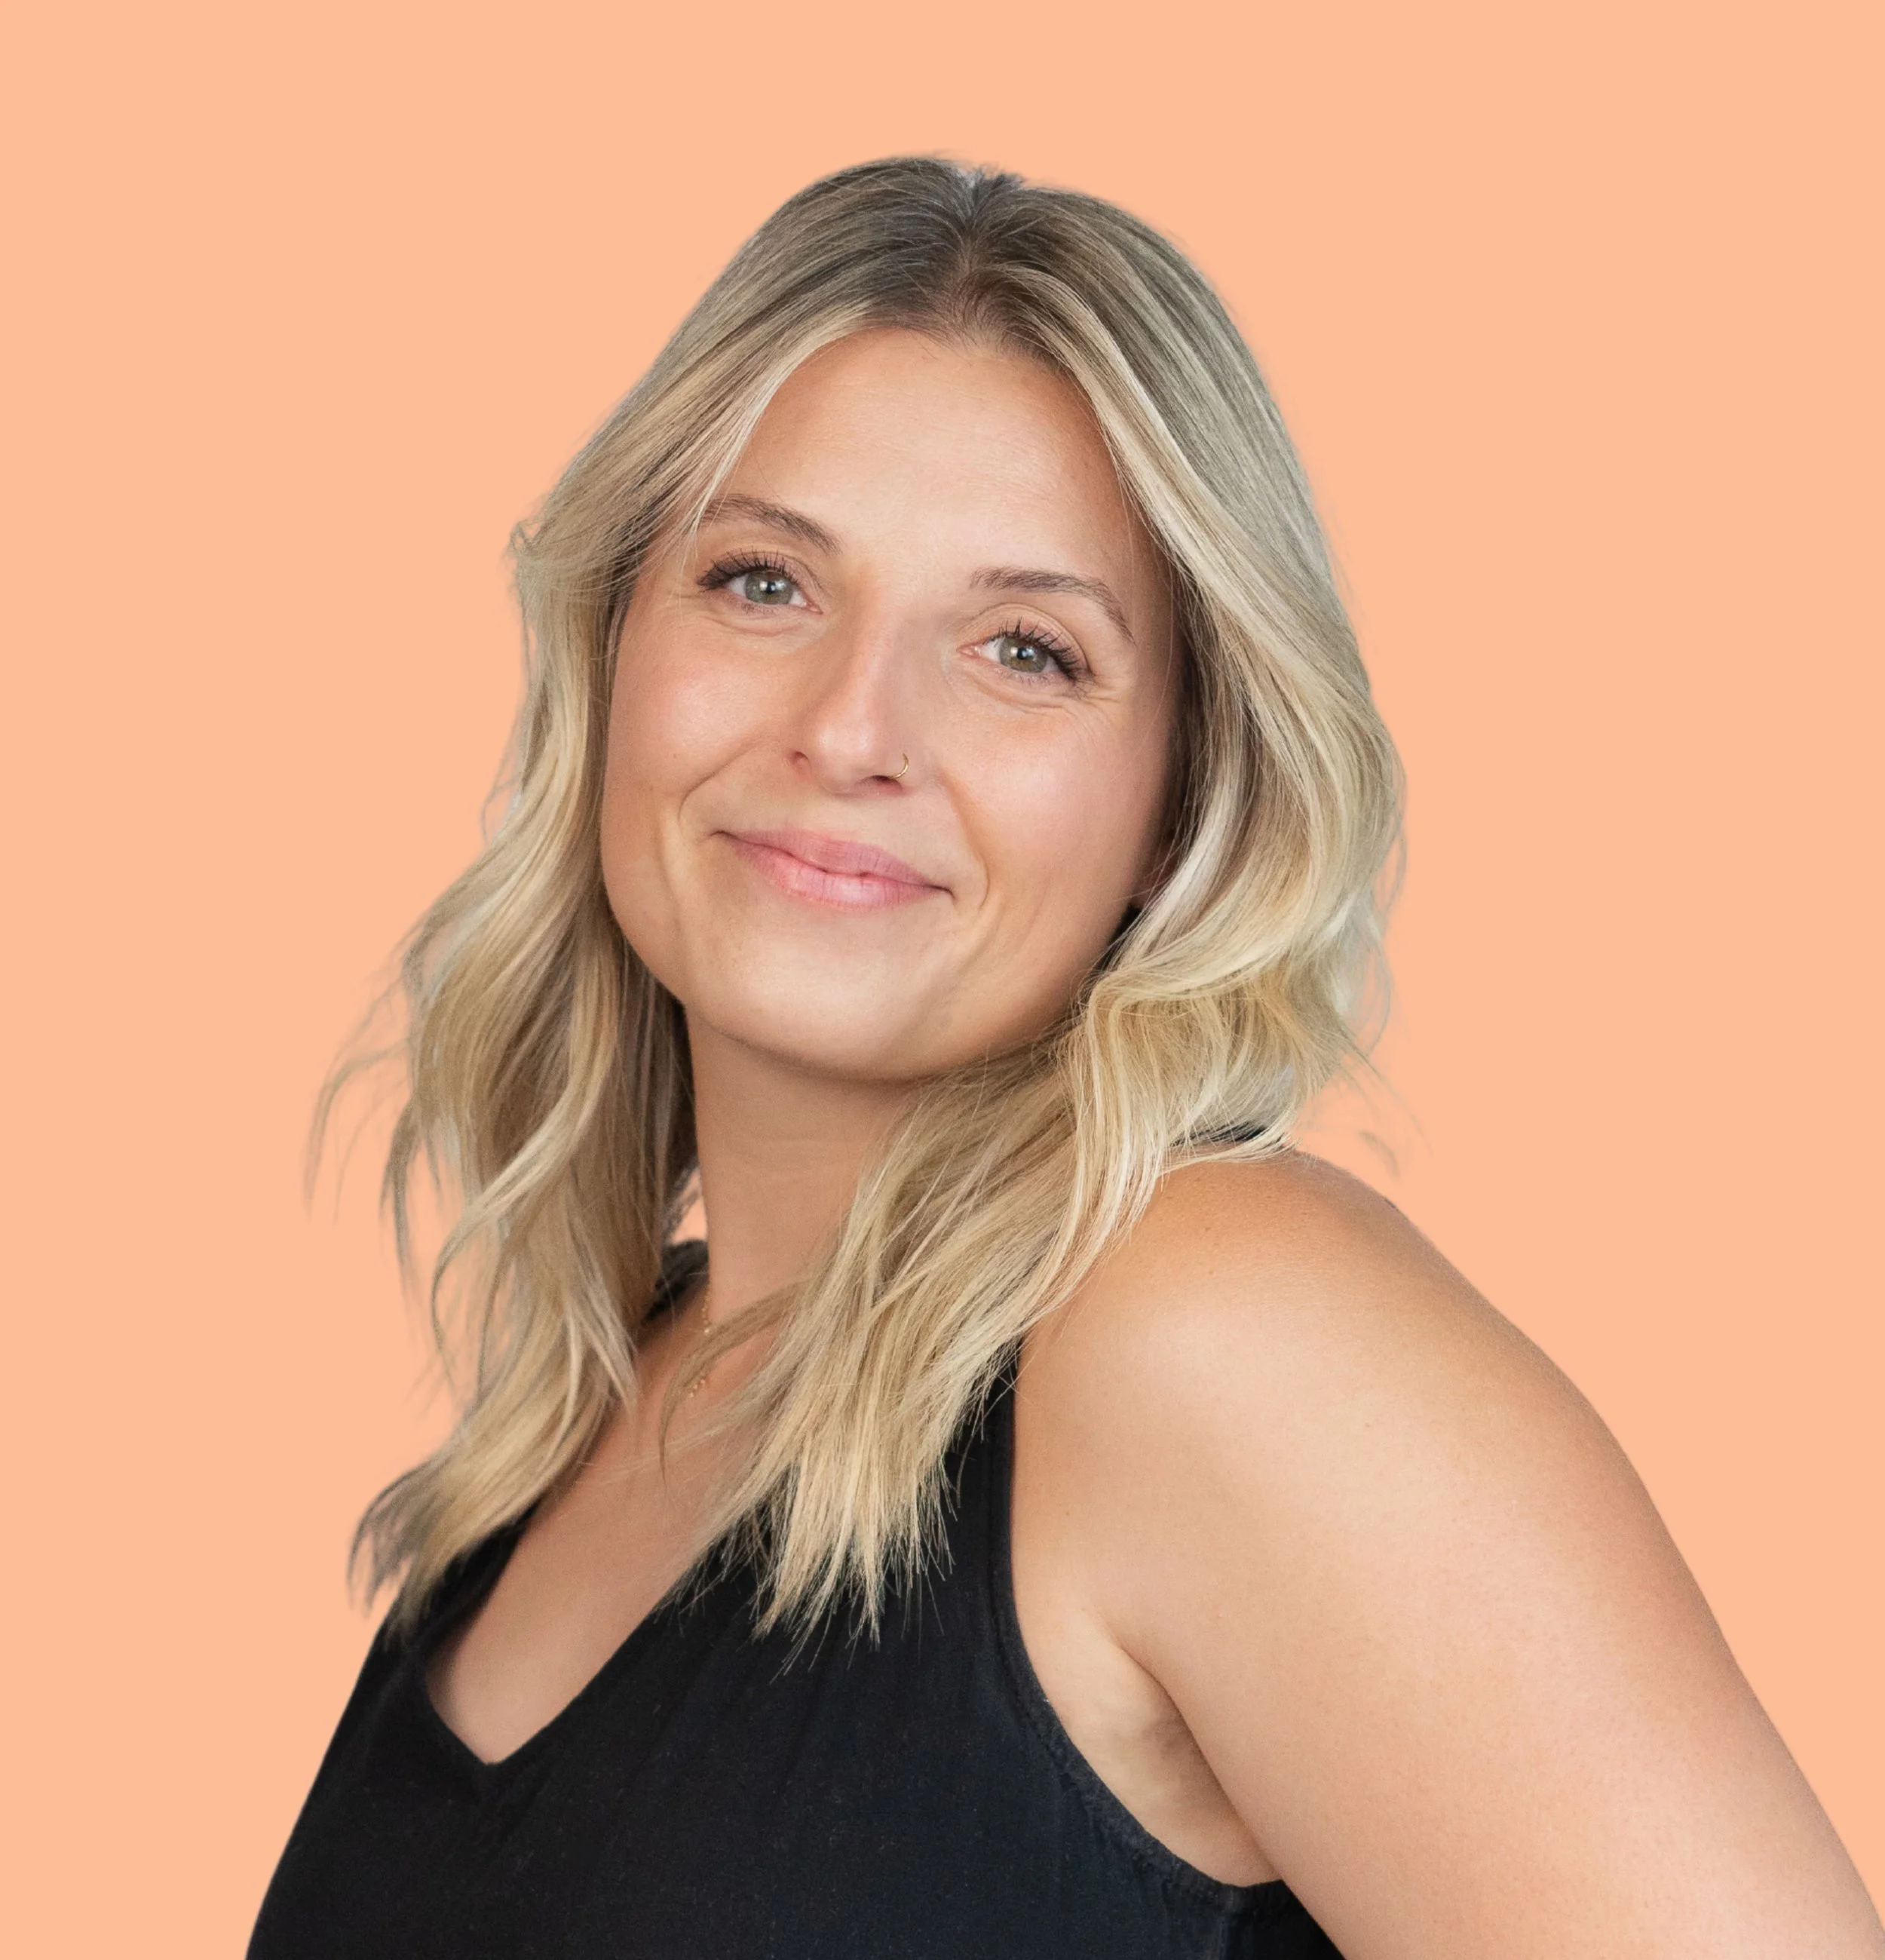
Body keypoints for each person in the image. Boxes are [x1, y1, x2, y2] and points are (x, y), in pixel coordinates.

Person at [248, 158, 1883, 1959]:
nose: (851, 728)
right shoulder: (589, 1407)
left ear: (1180, 800)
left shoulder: (1218, 1337)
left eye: (1026, 650)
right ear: (615, 640)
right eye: (761, 582)